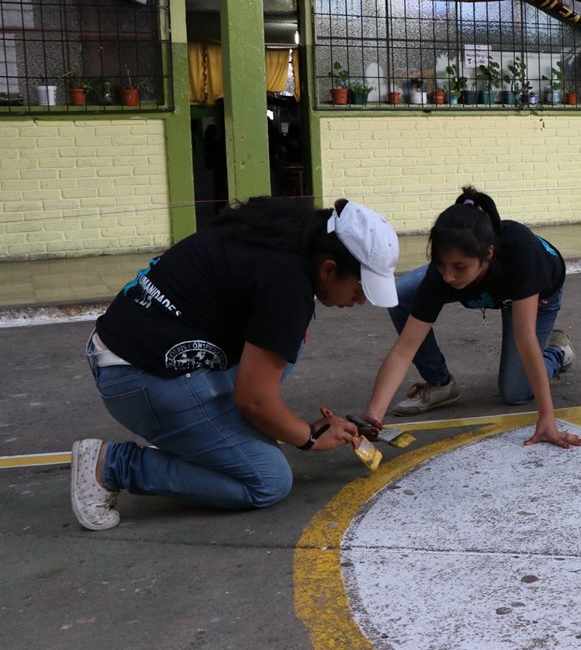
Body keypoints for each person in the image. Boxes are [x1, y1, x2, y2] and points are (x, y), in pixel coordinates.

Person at [71, 198, 400, 531]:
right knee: (267, 481)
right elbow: (254, 400)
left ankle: (206, 435)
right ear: (328, 268)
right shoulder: (287, 286)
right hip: (137, 379)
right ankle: (114, 466)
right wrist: (309, 438)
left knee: (289, 341)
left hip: (128, 351)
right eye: (359, 291)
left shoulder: (286, 232)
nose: (359, 302)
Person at [362, 187, 581, 449]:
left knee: (516, 392)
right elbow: (404, 349)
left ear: (488, 253)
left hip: (535, 291)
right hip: (492, 286)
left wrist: (547, 417)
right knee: (400, 294)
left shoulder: (521, 252)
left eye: (459, 267)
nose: (448, 277)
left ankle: (557, 351)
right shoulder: (444, 273)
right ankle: (439, 382)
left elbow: (525, 336)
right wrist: (373, 416)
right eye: (442, 264)